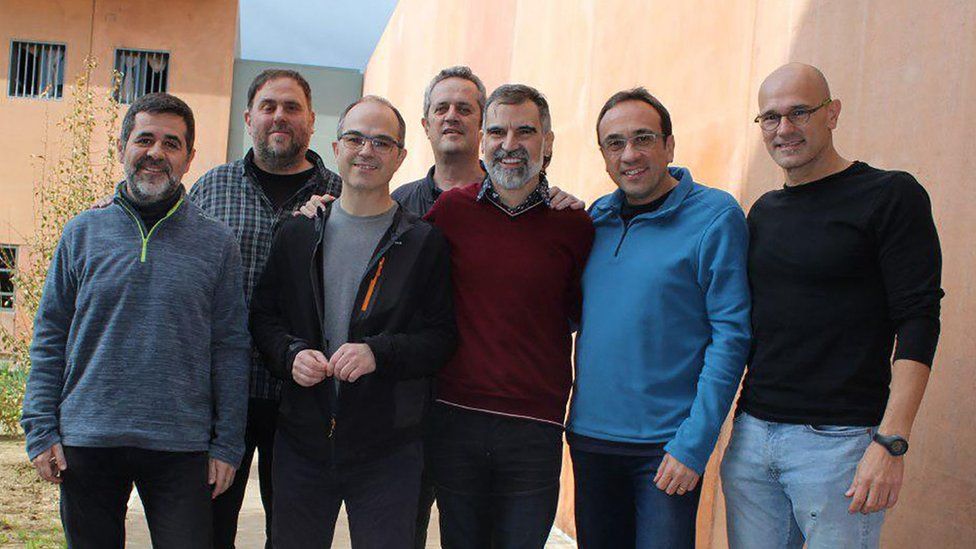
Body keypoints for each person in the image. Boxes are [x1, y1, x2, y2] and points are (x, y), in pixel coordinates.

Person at [720, 63, 944, 549]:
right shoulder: (764, 212)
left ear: (832, 113)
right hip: (753, 438)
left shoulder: (890, 196)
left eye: (800, 112)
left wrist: (890, 443)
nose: (785, 129)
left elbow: (919, 321)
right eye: (771, 117)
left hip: (840, 445)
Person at [21, 92, 250, 548]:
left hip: (181, 444)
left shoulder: (216, 242)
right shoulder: (82, 232)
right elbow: (50, 335)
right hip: (88, 439)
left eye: (172, 143)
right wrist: (40, 426)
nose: (156, 153)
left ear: (188, 159)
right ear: (122, 146)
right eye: (145, 139)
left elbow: (230, 347)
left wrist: (227, 444)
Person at [250, 95, 456, 548]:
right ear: (336, 146)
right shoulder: (297, 231)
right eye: (356, 138)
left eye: (383, 142)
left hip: (389, 450)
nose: (367, 150)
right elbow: (264, 317)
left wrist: (377, 353)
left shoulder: (423, 242)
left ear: (401, 156)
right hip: (302, 442)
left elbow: (440, 339)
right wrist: (290, 353)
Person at [566, 87, 751, 548]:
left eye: (643, 138)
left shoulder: (715, 216)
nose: (630, 154)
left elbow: (731, 337)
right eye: (615, 143)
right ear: (604, 155)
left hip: (665, 450)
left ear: (669, 145)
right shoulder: (595, 219)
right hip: (591, 440)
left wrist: (694, 443)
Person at [424, 84, 594, 549]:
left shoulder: (575, 225)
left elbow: (580, 313)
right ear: (483, 141)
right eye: (497, 131)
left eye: (525, 131)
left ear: (549, 142)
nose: (510, 143)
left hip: (535, 428)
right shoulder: (451, 211)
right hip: (456, 419)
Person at [188, 68, 343, 548]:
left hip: (306, 392)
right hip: (221, 392)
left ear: (312, 120)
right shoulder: (211, 189)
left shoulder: (344, 196)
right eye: (269, 106)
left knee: (295, 531)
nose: (280, 116)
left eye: (292, 107)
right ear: (248, 117)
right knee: (209, 528)